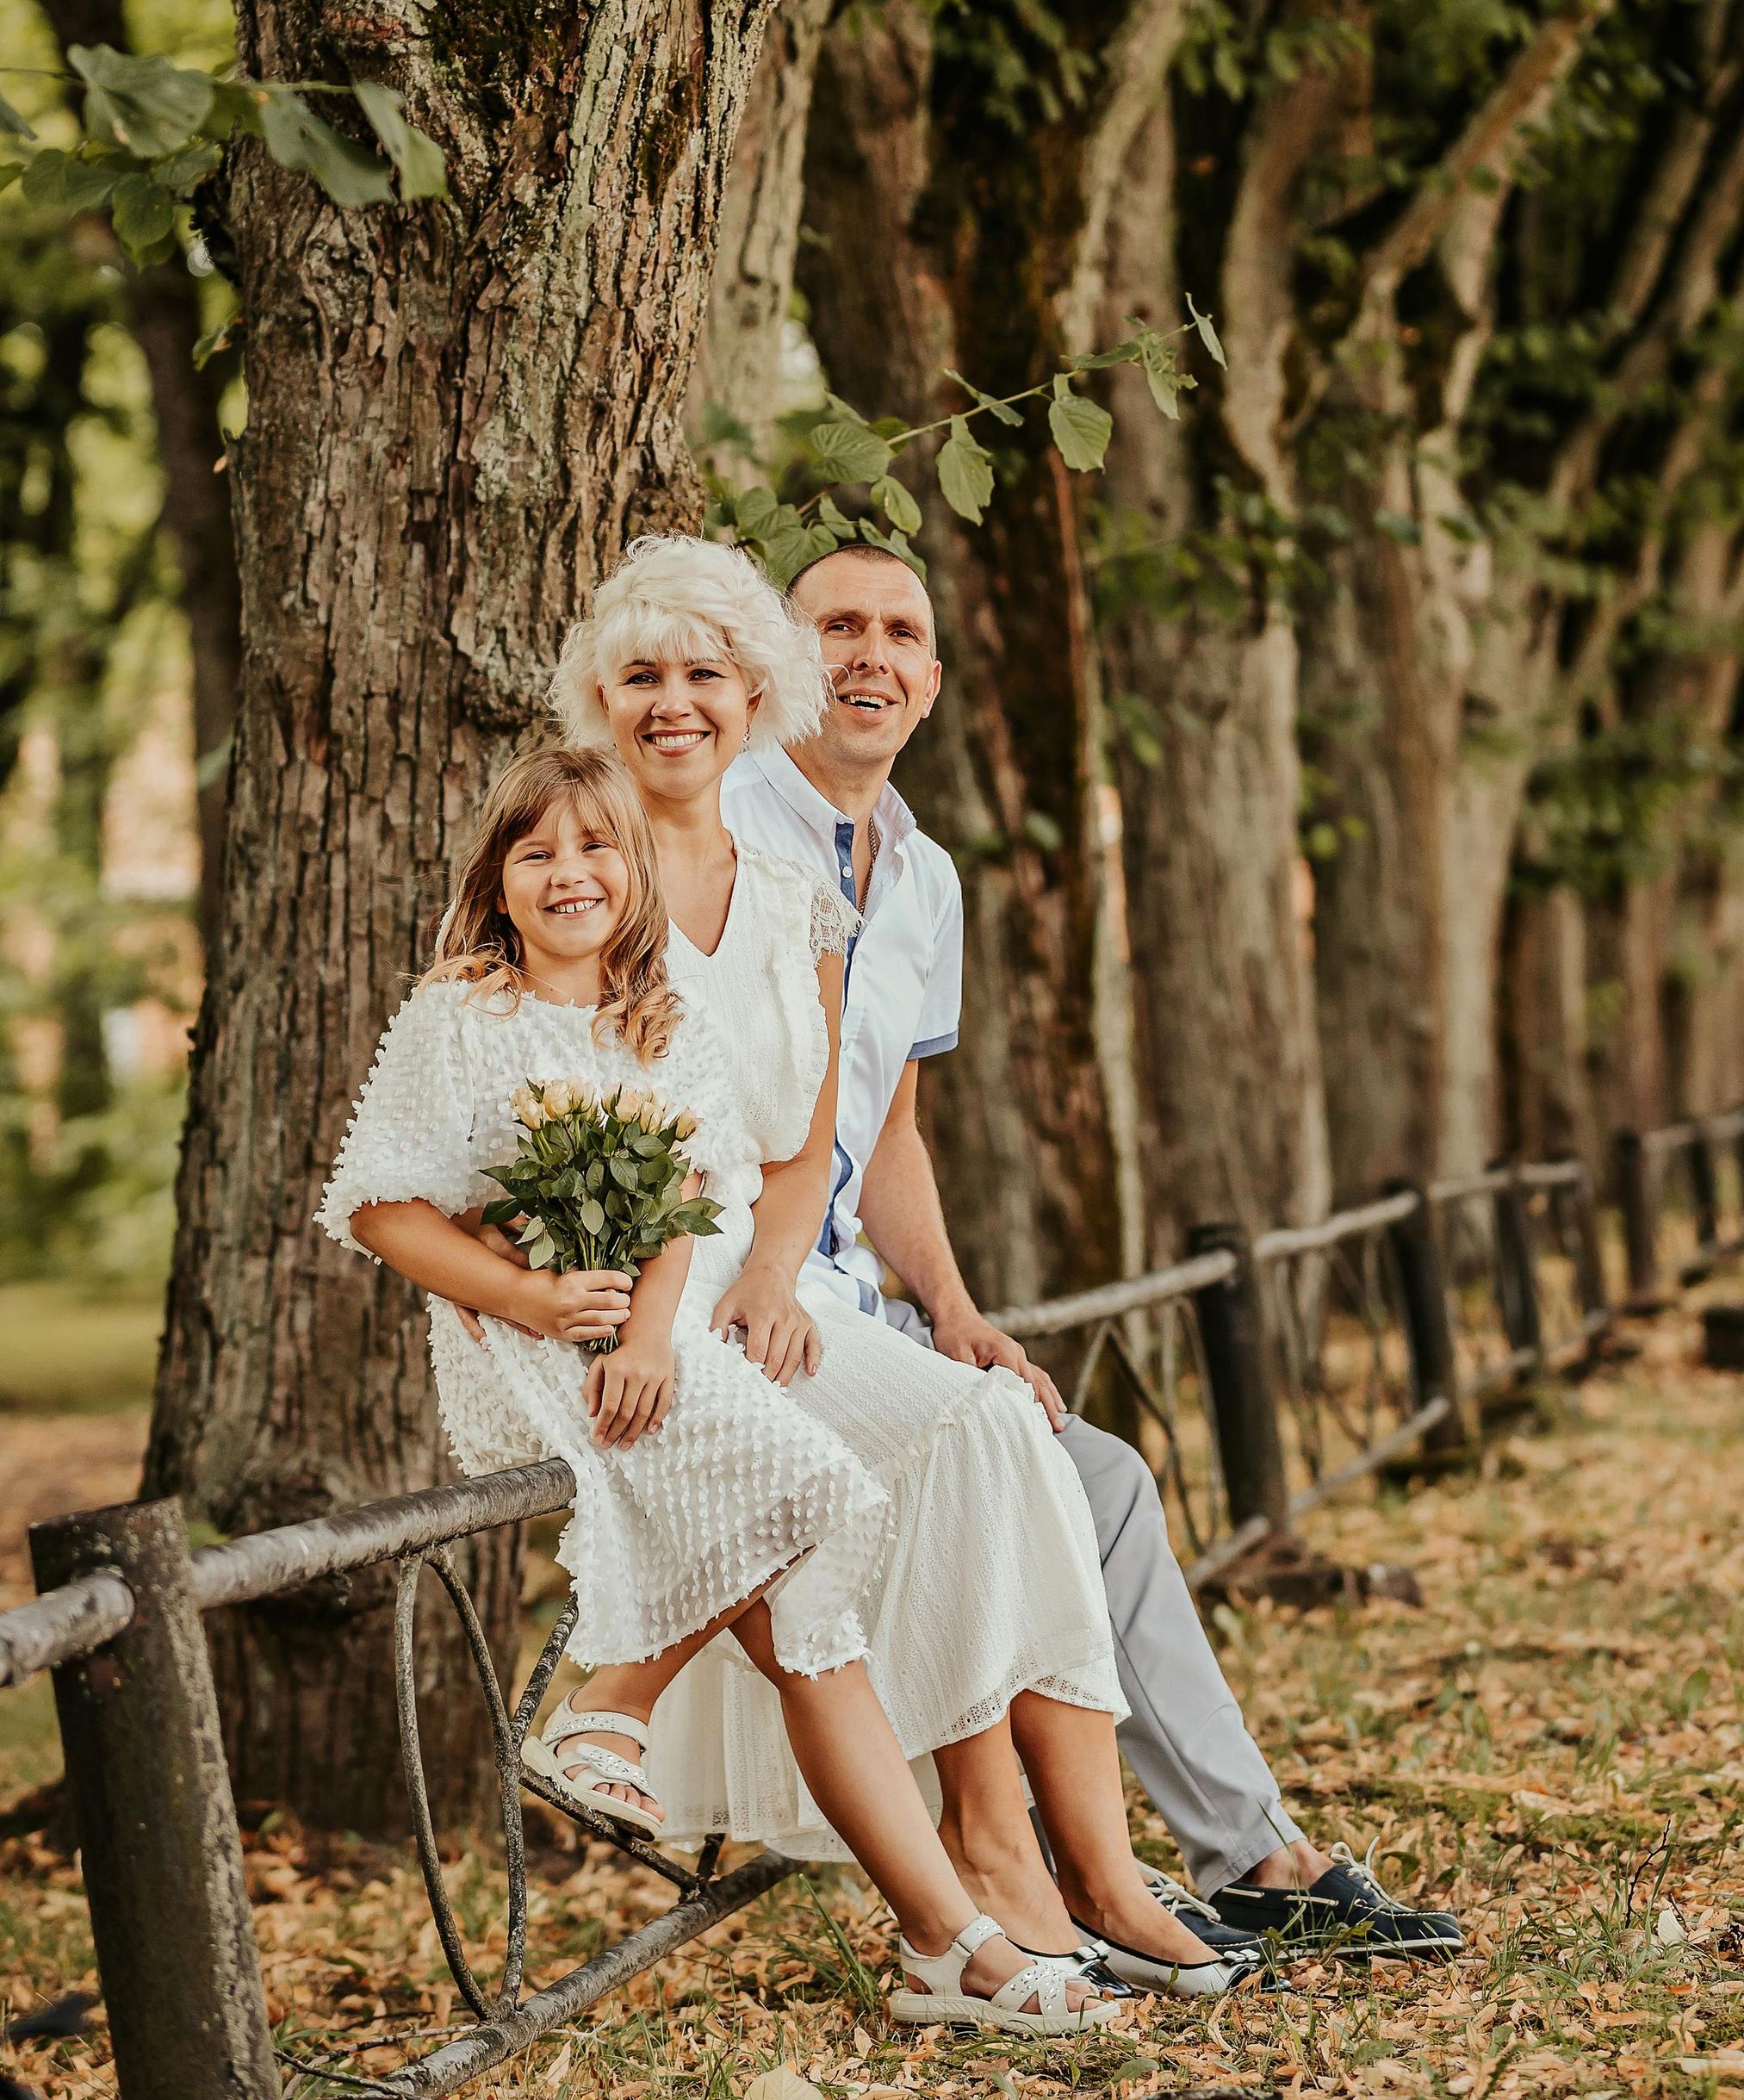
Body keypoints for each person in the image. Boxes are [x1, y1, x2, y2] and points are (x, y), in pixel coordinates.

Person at [561, 530, 1462, 1965]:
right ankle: (1077, 1873)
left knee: (1097, 1474)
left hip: (849, 1296)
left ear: (930, 681)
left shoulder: (923, 881)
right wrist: (747, 1282)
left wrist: (961, 1307)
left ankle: (1210, 1857)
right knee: (1032, 1470)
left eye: (900, 633)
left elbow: (891, 1131)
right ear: (785, 668)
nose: (870, 655)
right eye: (837, 626)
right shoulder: (710, 819)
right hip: (729, 1302)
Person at [323, 743, 1232, 2035]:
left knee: (810, 1609)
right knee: (815, 1500)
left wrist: (643, 1332)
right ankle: (610, 1708)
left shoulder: (662, 1020)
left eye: (595, 851)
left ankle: (945, 1942)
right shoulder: (460, 1016)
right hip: (524, 1337)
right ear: (496, 882)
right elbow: (380, 1209)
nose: (570, 874)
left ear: (632, 877)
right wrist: (530, 1297)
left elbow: (693, 1195)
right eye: (538, 855)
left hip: (654, 1331)